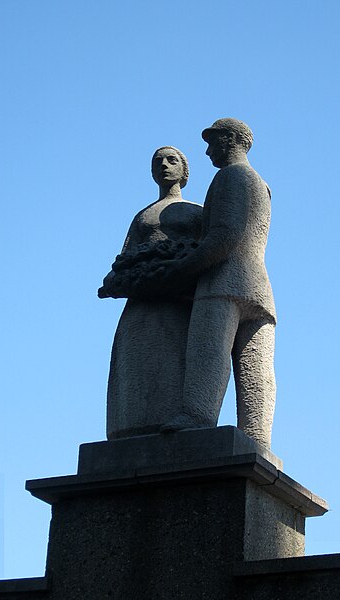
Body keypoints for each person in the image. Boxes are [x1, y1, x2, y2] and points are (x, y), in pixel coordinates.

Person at [160, 119, 277, 449]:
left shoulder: (230, 177)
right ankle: (257, 439)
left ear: (230, 141)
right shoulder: (261, 183)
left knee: (208, 352)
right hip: (260, 290)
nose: (208, 151)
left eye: (212, 142)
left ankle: (197, 415)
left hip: (224, 282)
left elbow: (224, 237)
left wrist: (181, 268)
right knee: (256, 368)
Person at [99, 147, 202, 440]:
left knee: (174, 364)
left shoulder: (196, 212)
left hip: (179, 302)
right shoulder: (143, 216)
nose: (164, 166)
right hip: (141, 305)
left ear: (184, 171)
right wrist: (121, 281)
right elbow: (123, 259)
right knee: (136, 367)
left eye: (172, 160)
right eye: (158, 161)